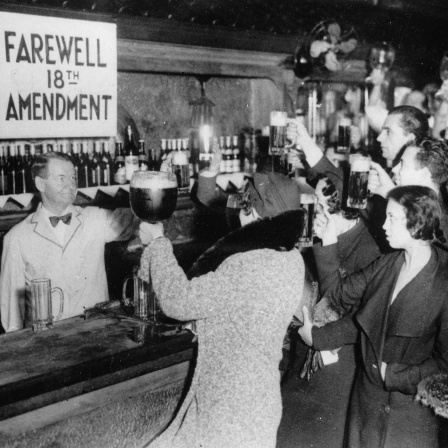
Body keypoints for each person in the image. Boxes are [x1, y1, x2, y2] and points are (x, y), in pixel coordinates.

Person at [137, 171, 306, 448]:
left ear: (251, 210)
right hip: (258, 401)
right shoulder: (291, 258)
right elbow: (244, 311)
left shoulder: (248, 264)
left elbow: (179, 302)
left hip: (228, 407)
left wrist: (157, 243)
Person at [299, 185, 448, 448]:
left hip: (409, 416)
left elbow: (445, 365)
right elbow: (339, 295)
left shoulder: (444, 281)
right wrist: (328, 238)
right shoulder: (388, 264)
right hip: (366, 406)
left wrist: (394, 376)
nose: (384, 225)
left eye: (392, 217)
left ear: (417, 222)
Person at [0, 152, 135, 332]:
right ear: (40, 183)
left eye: (73, 177)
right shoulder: (16, 237)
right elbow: (11, 315)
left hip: (96, 334)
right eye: (61, 178)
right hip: (47, 345)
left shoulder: (96, 218)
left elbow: (137, 218)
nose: (71, 185)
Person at [368, 138, 448, 239]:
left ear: (423, 174)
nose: (394, 169)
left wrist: (392, 195)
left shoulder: (443, 223)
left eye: (402, 163)